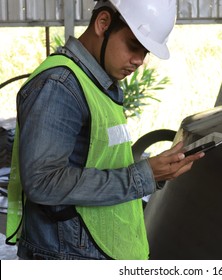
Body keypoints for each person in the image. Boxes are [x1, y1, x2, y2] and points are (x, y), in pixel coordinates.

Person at [5, 0, 204, 260]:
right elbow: (43, 182)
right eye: (134, 46)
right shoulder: (60, 85)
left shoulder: (98, 85)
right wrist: (142, 176)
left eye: (145, 53)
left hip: (95, 247)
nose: (139, 61)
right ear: (103, 23)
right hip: (67, 255)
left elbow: (101, 159)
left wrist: (156, 172)